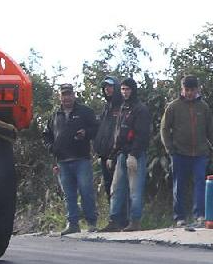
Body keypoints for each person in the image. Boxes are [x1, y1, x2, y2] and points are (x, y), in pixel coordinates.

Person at [161, 74, 213, 227]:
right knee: (179, 185)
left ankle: (199, 215)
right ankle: (180, 217)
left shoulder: (203, 107)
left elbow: (210, 130)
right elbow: (164, 129)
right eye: (187, 90)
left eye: (192, 90)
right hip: (179, 152)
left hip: (200, 153)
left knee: (200, 182)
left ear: (197, 89)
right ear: (182, 89)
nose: (190, 93)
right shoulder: (173, 106)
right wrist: (169, 148)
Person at [43, 83, 99, 235]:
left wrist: (85, 133)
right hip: (62, 161)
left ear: (74, 95)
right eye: (64, 94)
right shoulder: (54, 115)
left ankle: (91, 222)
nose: (66, 97)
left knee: (86, 191)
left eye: (69, 94)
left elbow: (96, 128)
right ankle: (72, 223)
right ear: (59, 96)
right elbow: (46, 135)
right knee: (69, 194)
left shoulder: (85, 112)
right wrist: (51, 148)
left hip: (81, 158)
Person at [103, 77, 151, 232]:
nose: (125, 92)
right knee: (116, 188)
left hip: (135, 155)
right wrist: (112, 155)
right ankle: (114, 221)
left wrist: (134, 154)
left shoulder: (140, 109)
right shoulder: (122, 108)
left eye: (127, 89)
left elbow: (142, 134)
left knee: (135, 190)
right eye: (122, 89)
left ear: (133, 90)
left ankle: (135, 221)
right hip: (121, 154)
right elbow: (118, 134)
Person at [92, 76, 121, 199]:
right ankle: (113, 216)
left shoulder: (122, 105)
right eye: (105, 87)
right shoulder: (106, 107)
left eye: (110, 86)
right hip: (104, 155)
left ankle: (123, 216)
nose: (107, 89)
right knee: (108, 185)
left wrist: (113, 153)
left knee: (119, 185)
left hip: (117, 154)